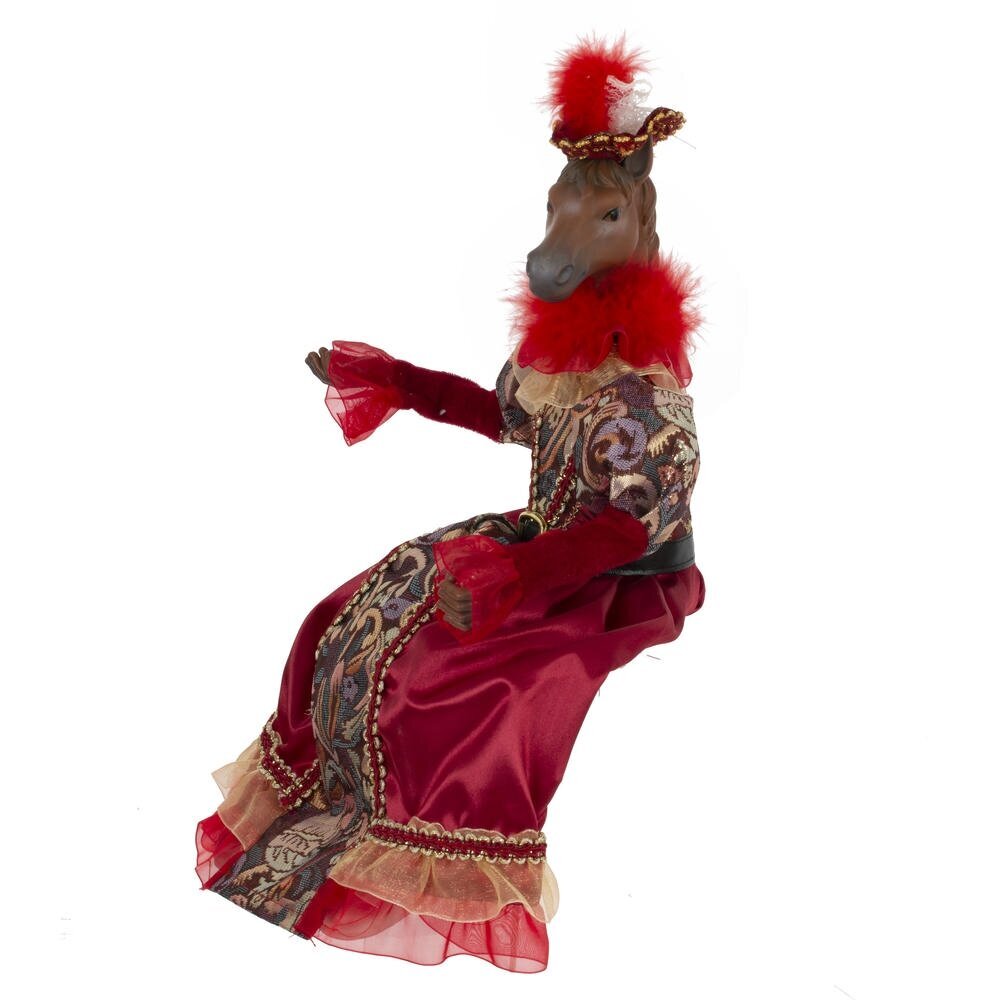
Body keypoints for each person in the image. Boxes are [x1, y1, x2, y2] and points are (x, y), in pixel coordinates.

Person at [194, 35, 707, 973]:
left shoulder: (645, 393)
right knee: (351, 612)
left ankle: (423, 836)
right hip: (541, 543)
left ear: (633, 221)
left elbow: (625, 526)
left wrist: (521, 573)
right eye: (557, 214)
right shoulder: (562, 358)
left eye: (597, 217)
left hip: (611, 576)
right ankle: (338, 805)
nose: (556, 244)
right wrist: (400, 383)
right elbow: (502, 416)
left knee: (466, 683)